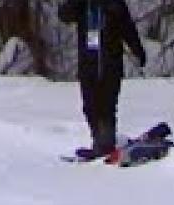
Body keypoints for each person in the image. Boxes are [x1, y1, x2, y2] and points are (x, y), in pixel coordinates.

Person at [58, 0, 146, 159]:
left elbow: (127, 27)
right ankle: (98, 140)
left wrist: (137, 50)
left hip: (110, 63)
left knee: (107, 105)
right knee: (90, 105)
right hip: (88, 63)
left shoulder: (115, 4)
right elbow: (64, 15)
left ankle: (106, 144)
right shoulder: (83, 5)